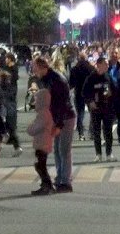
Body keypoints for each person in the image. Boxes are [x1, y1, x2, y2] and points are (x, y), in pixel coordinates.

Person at [32, 57, 76, 193]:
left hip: (66, 118)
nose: (34, 72)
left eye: (35, 69)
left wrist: (59, 125)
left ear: (42, 67)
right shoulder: (47, 79)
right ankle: (60, 179)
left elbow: (63, 104)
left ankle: (66, 182)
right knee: (57, 150)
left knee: (64, 150)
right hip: (57, 118)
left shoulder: (57, 80)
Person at [82, 57, 116, 162]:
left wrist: (111, 94)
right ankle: (98, 154)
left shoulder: (108, 77)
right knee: (96, 132)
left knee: (108, 131)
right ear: (99, 65)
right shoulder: (91, 78)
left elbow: (115, 90)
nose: (107, 65)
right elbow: (84, 92)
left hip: (107, 107)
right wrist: (90, 101)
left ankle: (109, 153)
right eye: (105, 64)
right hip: (95, 108)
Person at [27, 88, 55, 196]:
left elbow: (35, 128)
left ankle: (46, 185)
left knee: (40, 166)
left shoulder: (43, 114)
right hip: (44, 142)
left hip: (42, 143)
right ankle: (47, 185)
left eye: (37, 100)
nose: (35, 102)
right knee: (40, 165)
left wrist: (30, 128)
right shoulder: (46, 112)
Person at [69, 52, 93, 141]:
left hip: (79, 93)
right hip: (90, 93)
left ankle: (81, 134)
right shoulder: (91, 68)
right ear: (86, 58)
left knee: (80, 114)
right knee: (93, 113)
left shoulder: (74, 69)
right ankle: (91, 132)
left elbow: (71, 84)